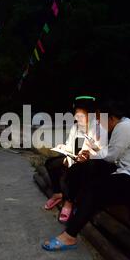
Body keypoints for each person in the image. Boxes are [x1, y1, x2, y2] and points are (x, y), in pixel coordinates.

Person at [42, 100, 130, 251]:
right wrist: (88, 156)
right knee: (84, 170)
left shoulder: (124, 127)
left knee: (94, 188)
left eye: (101, 119)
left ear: (112, 118)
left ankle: (70, 236)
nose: (99, 123)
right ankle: (77, 208)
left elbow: (111, 156)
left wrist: (90, 156)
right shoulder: (120, 126)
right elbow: (108, 154)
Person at [44, 96, 107, 224]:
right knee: (50, 163)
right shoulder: (75, 127)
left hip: (90, 163)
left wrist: (87, 155)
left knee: (75, 170)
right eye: (76, 115)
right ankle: (57, 193)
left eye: (80, 116)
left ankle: (69, 202)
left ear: (90, 115)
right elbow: (69, 145)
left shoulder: (100, 129)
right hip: (73, 158)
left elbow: (101, 151)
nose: (76, 119)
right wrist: (63, 148)